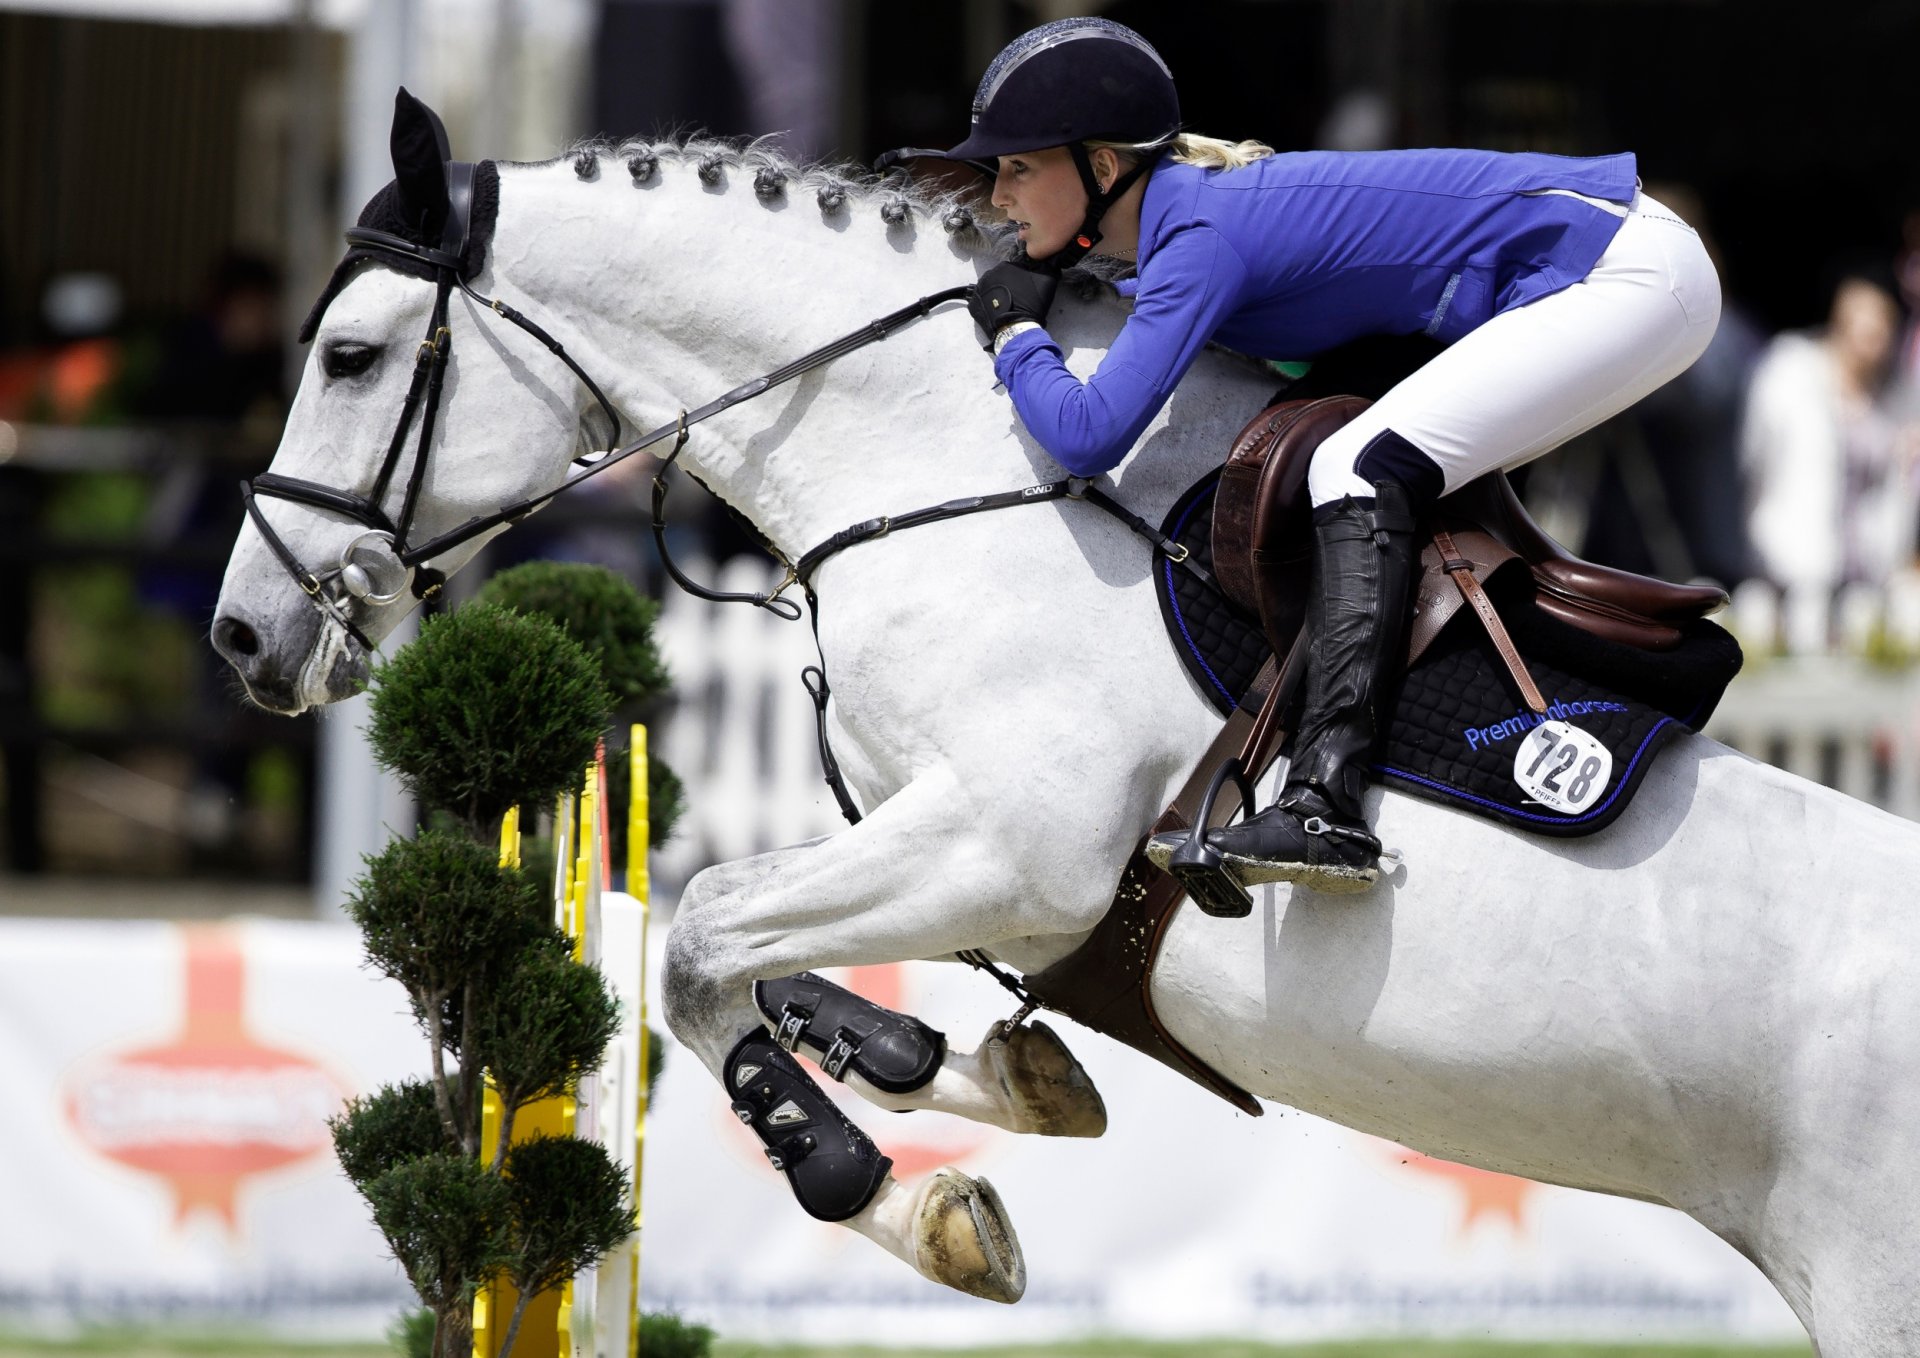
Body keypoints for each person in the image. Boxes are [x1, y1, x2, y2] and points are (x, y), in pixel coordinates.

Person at [947, 17, 1721, 894]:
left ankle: (1328, 803)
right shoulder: (1178, 238)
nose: (998, 196)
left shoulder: (1200, 236)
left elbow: (1087, 436)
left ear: (1103, 165)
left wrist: (1015, 334)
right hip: (1614, 271)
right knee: (1372, 460)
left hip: (1621, 271)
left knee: (1356, 467)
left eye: (1017, 167)